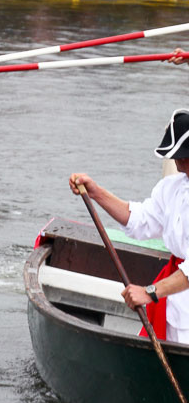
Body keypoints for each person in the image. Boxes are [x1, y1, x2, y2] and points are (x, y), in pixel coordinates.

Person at [69, 110, 189, 343]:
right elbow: (140, 220)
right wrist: (96, 193)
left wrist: (150, 292)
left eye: (184, 156)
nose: (178, 161)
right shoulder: (173, 187)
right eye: (178, 156)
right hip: (176, 308)